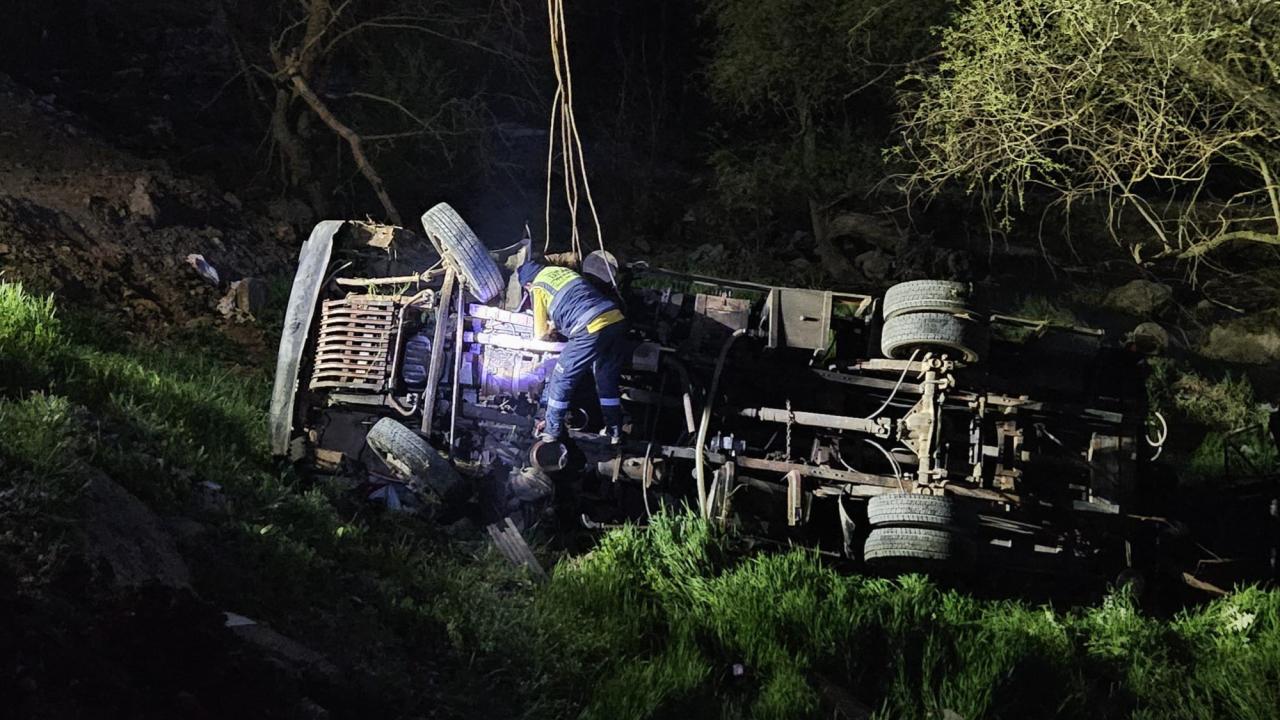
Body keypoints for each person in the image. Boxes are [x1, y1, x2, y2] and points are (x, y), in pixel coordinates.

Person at [517, 260, 628, 444]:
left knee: (561, 378)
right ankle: (614, 432)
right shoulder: (561, 271)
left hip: (590, 328)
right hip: (615, 320)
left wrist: (551, 329)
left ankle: (551, 431)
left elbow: (540, 333)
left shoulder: (537, 286)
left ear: (528, 285)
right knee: (605, 379)